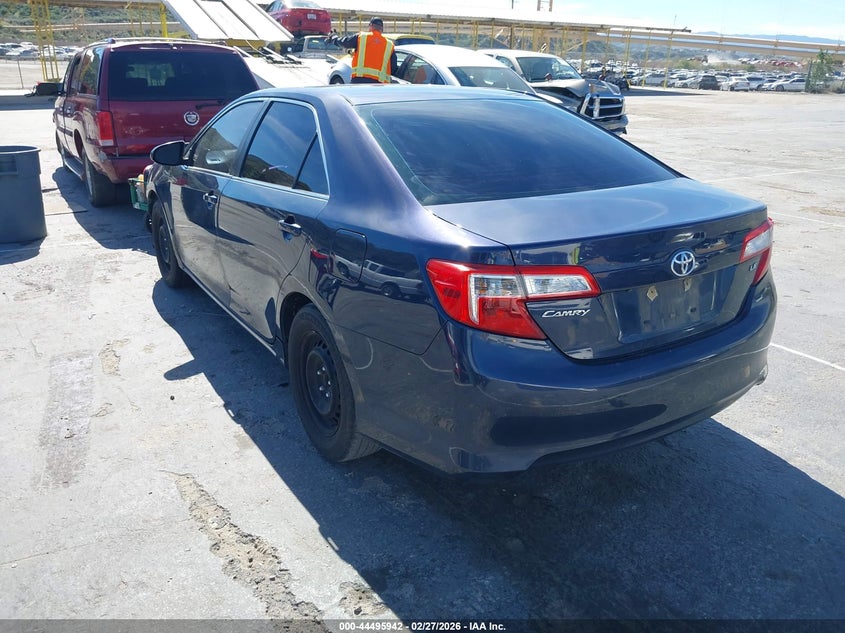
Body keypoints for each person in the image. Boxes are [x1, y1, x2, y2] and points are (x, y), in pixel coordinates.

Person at [327, 17, 397, 84]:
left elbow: (345, 43)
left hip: (359, 80)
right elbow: (393, 68)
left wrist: (334, 38)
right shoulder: (390, 45)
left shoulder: (362, 37)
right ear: (382, 29)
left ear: (371, 26)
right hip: (379, 85)